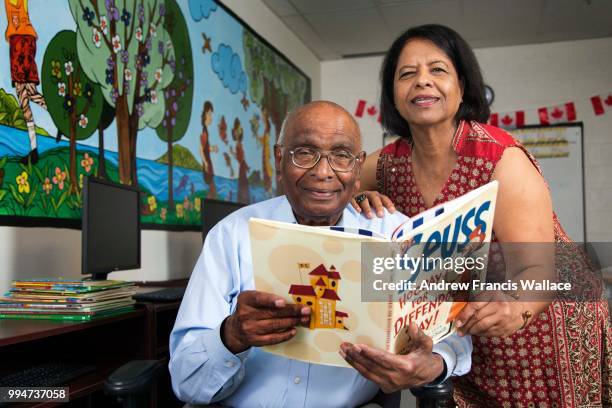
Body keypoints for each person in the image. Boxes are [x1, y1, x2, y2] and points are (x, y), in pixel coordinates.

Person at [352, 24, 611, 407]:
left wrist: (516, 310)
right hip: (466, 329)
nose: (422, 82)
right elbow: (335, 191)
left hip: (543, 323)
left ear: (462, 87)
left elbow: (540, 269)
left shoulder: (502, 160)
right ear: (393, 93)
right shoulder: (385, 165)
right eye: (407, 74)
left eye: (438, 70)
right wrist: (361, 200)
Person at [169, 101, 472, 407]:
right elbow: (185, 381)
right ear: (278, 158)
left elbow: (455, 338)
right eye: (304, 153)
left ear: (357, 167)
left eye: (341, 156)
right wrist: (232, 335)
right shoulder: (232, 234)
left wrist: (431, 365)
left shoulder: (395, 234)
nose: (323, 172)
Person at [4, 0, 47, 165]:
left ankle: (34, 150)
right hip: (25, 41)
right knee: (29, 94)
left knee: (24, 97)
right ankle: (34, 149)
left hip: (20, 42)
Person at [199, 101, 216, 198]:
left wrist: (211, 148)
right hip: (208, 165)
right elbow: (201, 150)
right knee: (213, 190)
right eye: (209, 114)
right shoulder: (204, 133)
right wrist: (205, 163)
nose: (211, 117)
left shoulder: (206, 131)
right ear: (204, 115)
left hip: (208, 164)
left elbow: (205, 149)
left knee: (212, 190)